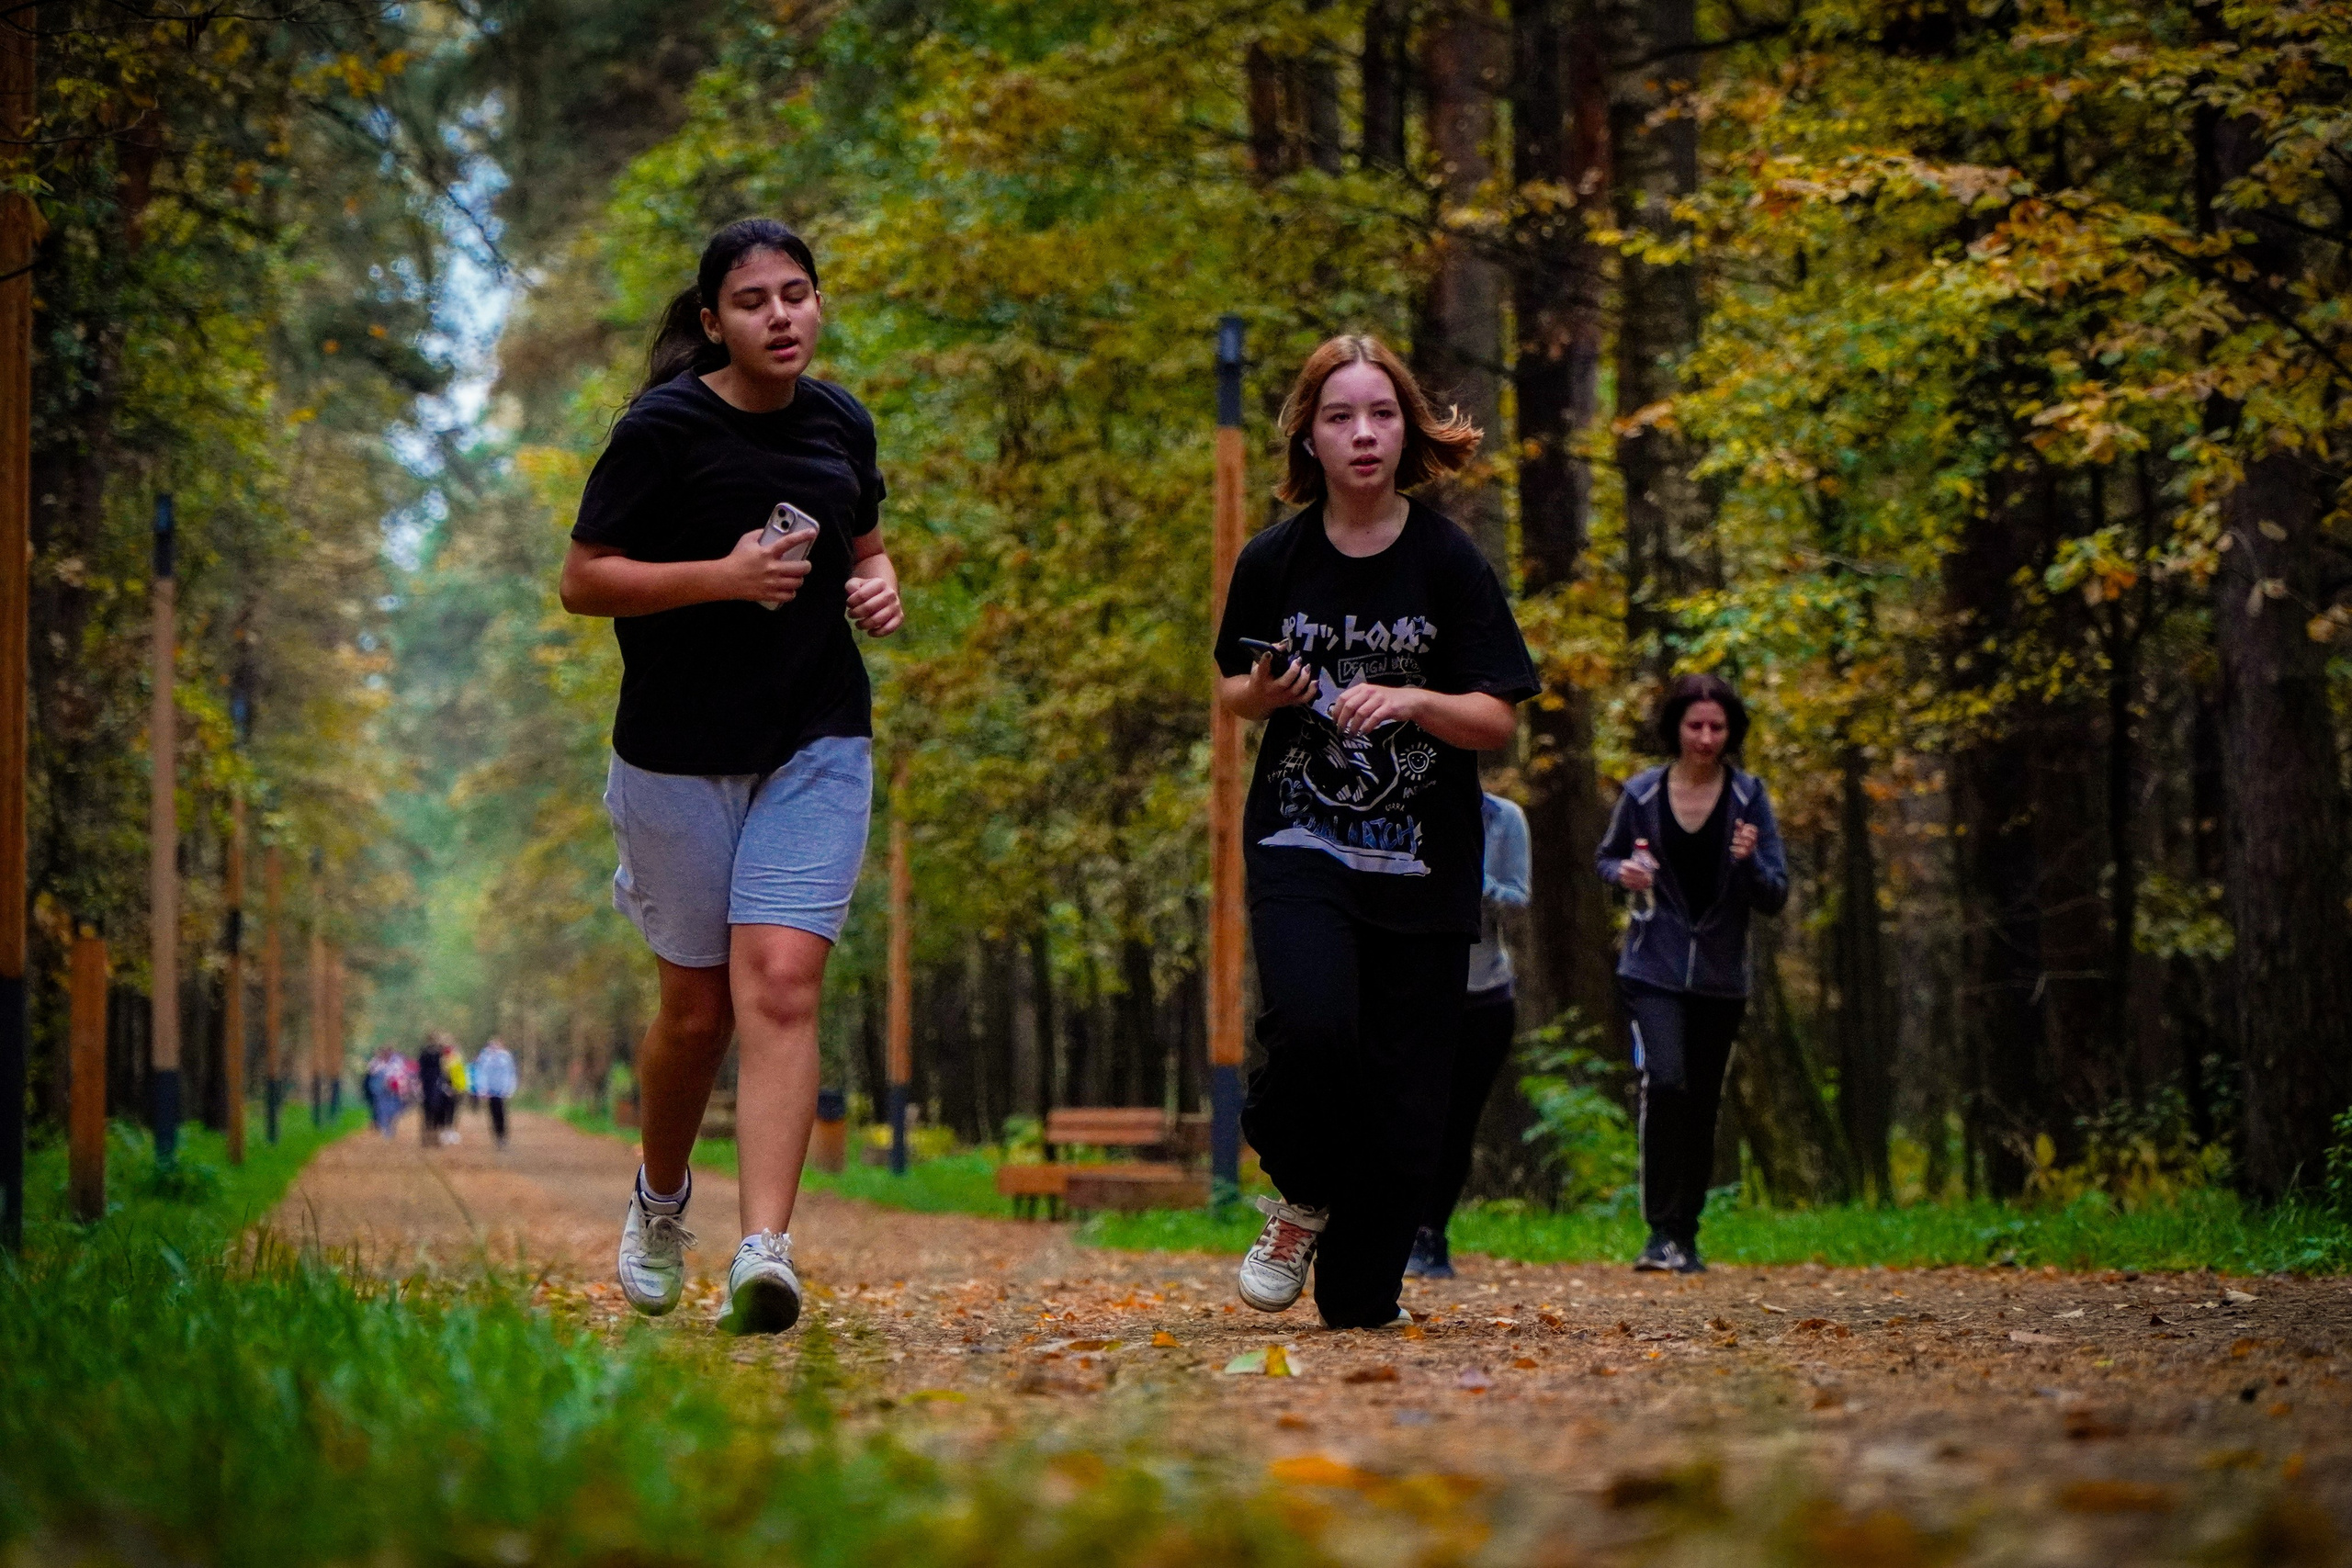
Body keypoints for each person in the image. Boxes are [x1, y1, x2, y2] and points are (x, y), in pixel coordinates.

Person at [560, 218, 903, 1336]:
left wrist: (878, 589)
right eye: (754, 301)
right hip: (673, 751)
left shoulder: (840, 420)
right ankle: (660, 1202)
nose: (782, 317)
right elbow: (584, 581)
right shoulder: (659, 433)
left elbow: (866, 541)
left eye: (797, 294)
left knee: (781, 987)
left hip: (815, 737)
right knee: (697, 1010)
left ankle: (766, 1250)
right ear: (713, 321)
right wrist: (722, 577)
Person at [1213, 334, 1540, 1330]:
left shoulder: (1447, 563)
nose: (1363, 434)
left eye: (1381, 414)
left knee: (1404, 1119)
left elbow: (1495, 718)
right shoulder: (1274, 558)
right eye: (1340, 416)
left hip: (1424, 863)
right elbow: (1233, 692)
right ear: (1308, 437)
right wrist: (1265, 691)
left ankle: (1352, 1263)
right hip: (1299, 842)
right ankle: (1301, 1194)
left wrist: (1407, 699)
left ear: (1408, 431)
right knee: (1312, 1028)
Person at [1595, 672, 1787, 1273]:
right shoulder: (1643, 795)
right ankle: (1657, 1229)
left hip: (1721, 976)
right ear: (1676, 727)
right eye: (1695, 725)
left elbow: (1775, 893)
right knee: (1668, 1079)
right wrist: (1621, 873)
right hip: (1652, 965)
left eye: (1717, 727)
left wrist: (1749, 860)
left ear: (1731, 733)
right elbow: (1606, 858)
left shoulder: (1750, 798)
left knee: (1702, 1100)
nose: (1705, 737)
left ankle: (1687, 1232)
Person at [1405, 788, 1530, 1280]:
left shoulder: (1505, 817)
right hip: (1415, 989)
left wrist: (1475, 885)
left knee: (1457, 1120)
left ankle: (1431, 1233)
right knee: (1409, 1112)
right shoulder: (1403, 806)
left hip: (1485, 993)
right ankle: (1390, 1229)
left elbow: (1519, 899)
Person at [473, 1035, 517, 1149]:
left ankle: (503, 1135)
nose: (494, 1048)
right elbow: (481, 1073)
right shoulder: (485, 1057)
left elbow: (510, 1073)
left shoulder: (506, 1057)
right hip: (490, 1090)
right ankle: (497, 1136)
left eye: (496, 1045)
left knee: (501, 1113)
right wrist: (482, 1089)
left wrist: (510, 1089)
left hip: (501, 1090)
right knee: (493, 1114)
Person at [415, 1035, 449, 1148]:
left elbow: (443, 1069)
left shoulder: (440, 1053)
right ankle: (426, 1137)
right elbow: (420, 1070)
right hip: (427, 1084)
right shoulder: (424, 1053)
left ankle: (434, 1136)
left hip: (437, 1084)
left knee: (438, 1110)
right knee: (427, 1111)